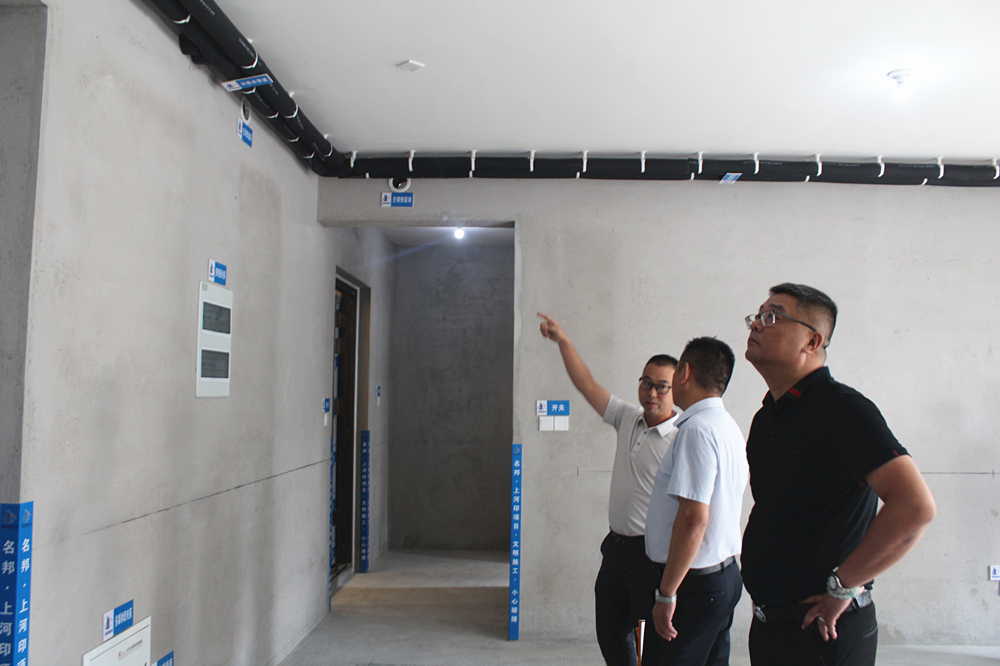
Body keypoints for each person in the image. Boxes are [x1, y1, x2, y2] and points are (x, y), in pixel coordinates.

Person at [741, 283, 937, 666]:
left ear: (812, 341)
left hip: (823, 630)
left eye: (773, 316)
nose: (757, 324)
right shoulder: (767, 418)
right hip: (771, 626)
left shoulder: (843, 410)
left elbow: (915, 507)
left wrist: (843, 585)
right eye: (757, 315)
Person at [538, 312, 679, 666]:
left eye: (661, 386)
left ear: (677, 389)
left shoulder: (682, 438)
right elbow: (587, 384)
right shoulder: (628, 417)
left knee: (655, 643)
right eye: (646, 382)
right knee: (612, 634)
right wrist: (563, 341)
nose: (651, 392)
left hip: (652, 556)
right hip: (616, 549)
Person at [642, 337, 749, 666]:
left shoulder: (696, 430)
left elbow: (693, 519)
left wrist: (667, 593)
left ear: (684, 373)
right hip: (722, 576)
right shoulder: (726, 425)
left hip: (694, 584)